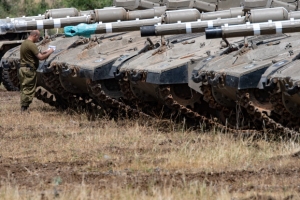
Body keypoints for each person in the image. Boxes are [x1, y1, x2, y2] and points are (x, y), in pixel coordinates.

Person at [19, 30, 54, 112]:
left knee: (24, 88)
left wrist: (44, 52)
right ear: (34, 35)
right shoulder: (31, 45)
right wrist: (51, 51)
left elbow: (33, 54)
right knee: (28, 89)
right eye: (38, 37)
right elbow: (41, 58)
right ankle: (24, 108)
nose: (38, 39)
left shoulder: (25, 43)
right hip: (29, 70)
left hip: (23, 69)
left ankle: (24, 107)